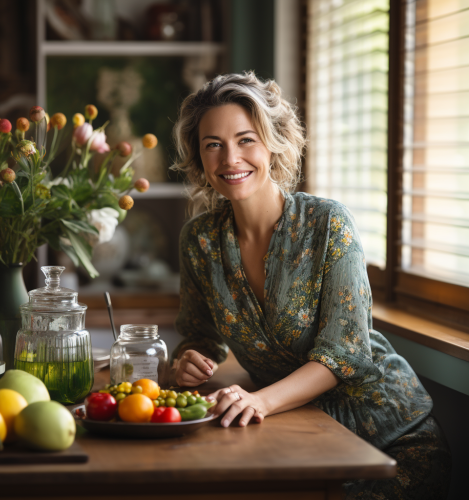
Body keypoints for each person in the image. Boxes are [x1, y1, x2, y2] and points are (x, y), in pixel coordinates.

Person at [169, 72, 451, 499]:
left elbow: (345, 355)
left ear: (273, 142)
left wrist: (260, 400)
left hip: (387, 438)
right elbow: (200, 336)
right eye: (214, 144)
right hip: (297, 431)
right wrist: (189, 361)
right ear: (199, 156)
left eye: (246, 139)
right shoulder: (199, 241)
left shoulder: (328, 224)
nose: (230, 158)